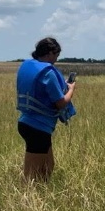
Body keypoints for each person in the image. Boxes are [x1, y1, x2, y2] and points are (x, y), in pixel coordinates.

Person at [16, 37, 76, 182]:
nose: (56, 59)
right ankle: (29, 200)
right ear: (50, 53)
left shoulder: (30, 66)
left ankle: (42, 194)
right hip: (37, 128)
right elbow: (61, 103)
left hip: (28, 123)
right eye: (56, 55)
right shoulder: (47, 73)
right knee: (31, 175)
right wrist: (71, 89)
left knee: (48, 166)